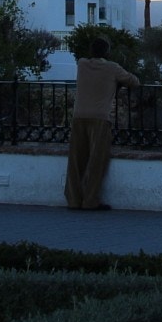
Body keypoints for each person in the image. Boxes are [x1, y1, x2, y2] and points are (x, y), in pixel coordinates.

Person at [64, 36, 139, 211]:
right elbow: (134, 81)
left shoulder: (82, 64)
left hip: (79, 115)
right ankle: (90, 200)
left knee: (76, 161)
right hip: (100, 118)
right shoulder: (112, 68)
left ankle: (73, 200)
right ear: (107, 52)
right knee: (96, 160)